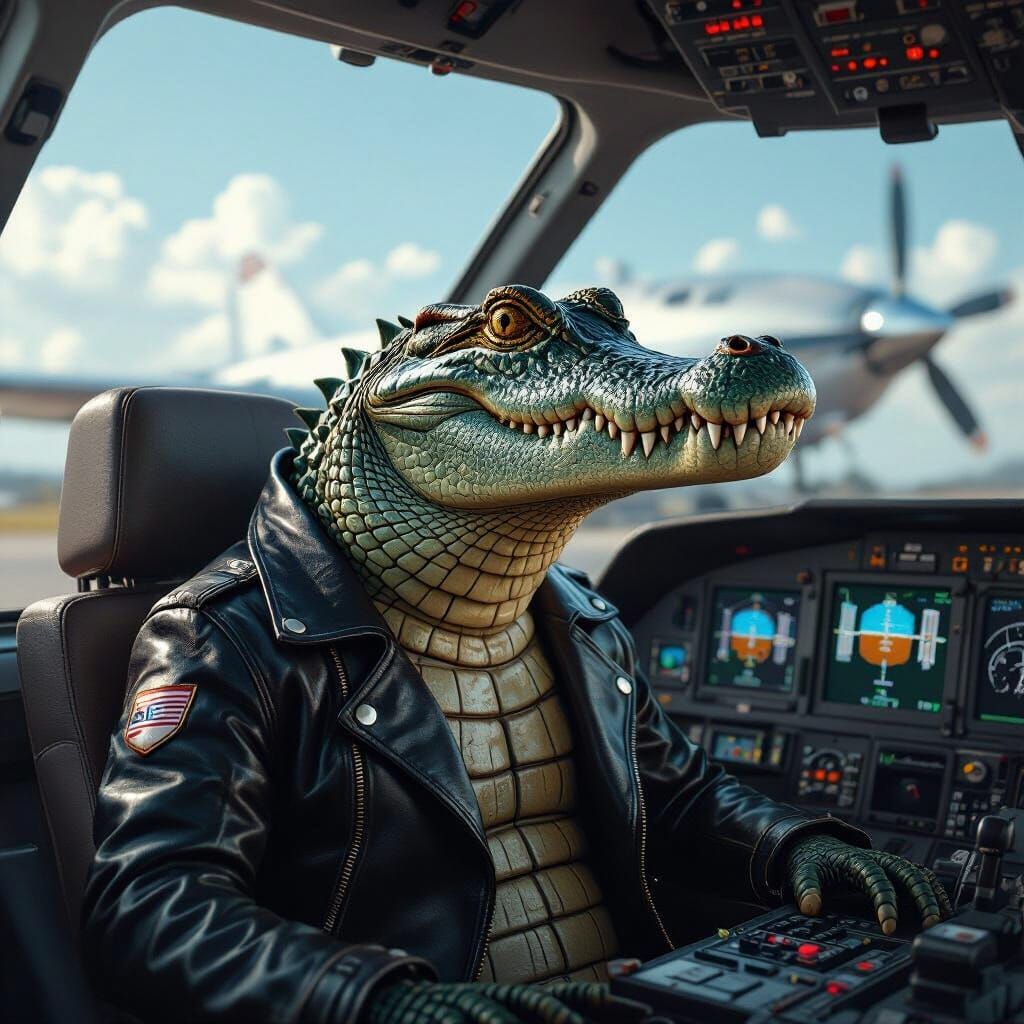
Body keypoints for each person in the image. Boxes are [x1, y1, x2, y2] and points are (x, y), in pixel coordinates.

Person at [84, 286, 949, 1024]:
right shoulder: (224, 632)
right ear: (385, 400)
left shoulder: (579, 613)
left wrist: (793, 845)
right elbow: (150, 906)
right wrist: (379, 1001)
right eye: (509, 331)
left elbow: (674, 795)